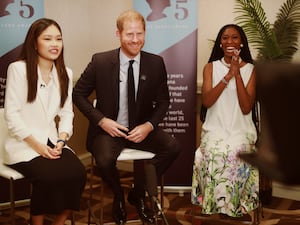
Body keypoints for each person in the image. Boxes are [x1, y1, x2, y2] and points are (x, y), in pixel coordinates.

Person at [73, 9, 180, 225]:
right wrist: (102, 120)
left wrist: (149, 126)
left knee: (172, 147)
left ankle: (137, 192)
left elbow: (163, 101)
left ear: (145, 33)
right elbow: (78, 94)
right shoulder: (100, 61)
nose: (135, 40)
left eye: (139, 34)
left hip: (140, 128)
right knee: (103, 160)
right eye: (129, 34)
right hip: (109, 130)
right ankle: (118, 197)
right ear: (118, 34)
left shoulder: (155, 63)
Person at [4, 18, 87, 225]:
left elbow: (67, 113)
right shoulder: (18, 69)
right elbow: (12, 116)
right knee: (48, 177)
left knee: (77, 173)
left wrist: (62, 139)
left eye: (58, 39)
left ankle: (58, 222)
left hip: (52, 141)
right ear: (34, 43)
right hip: (24, 144)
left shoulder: (65, 73)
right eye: (48, 39)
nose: (55, 44)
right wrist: (38, 146)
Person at [191, 24, 259, 218]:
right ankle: (215, 204)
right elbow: (207, 101)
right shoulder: (211, 68)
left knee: (236, 154)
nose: (230, 41)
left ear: (242, 43)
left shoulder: (252, 70)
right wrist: (228, 75)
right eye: (225, 38)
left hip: (241, 129)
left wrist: (237, 73)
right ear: (220, 44)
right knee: (212, 153)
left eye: (235, 37)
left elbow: (246, 107)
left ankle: (235, 205)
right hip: (216, 129)